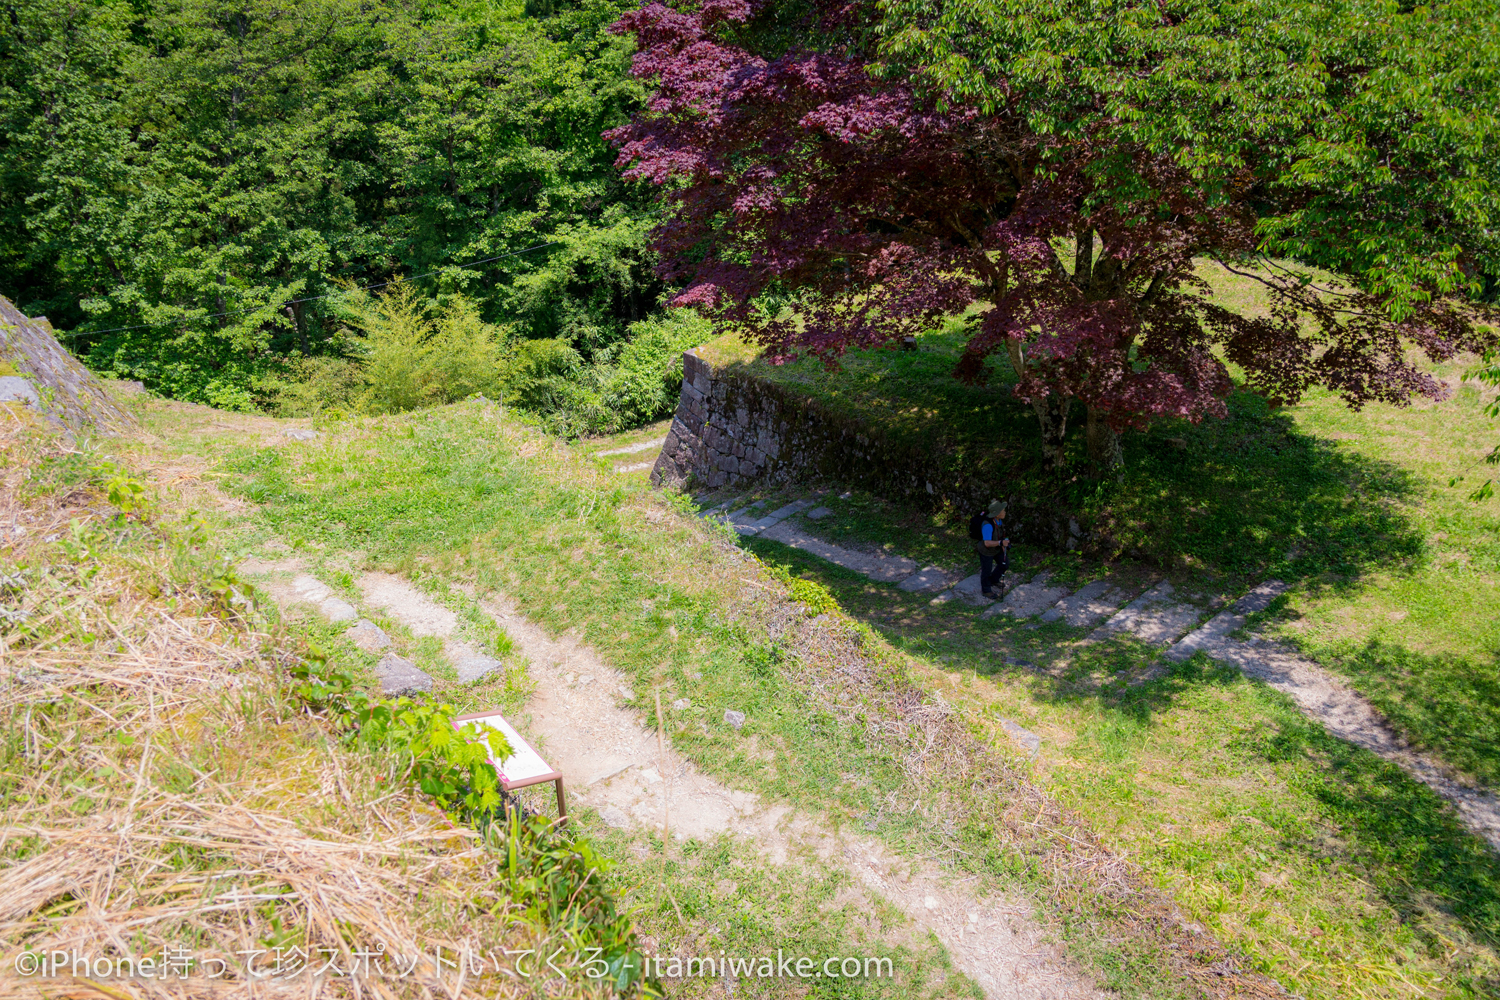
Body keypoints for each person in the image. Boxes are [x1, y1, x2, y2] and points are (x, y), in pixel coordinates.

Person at [971, 500, 1010, 599]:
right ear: (997, 514)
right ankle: (986, 590)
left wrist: (1003, 543)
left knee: (1004, 563)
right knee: (986, 571)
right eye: (1003, 510)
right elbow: (987, 543)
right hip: (986, 551)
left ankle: (994, 580)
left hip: (996, 548)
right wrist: (1001, 543)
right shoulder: (987, 525)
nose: (1005, 512)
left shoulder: (999, 521)